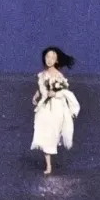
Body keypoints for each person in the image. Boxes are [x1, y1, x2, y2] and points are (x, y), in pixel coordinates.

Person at [30, 46, 80, 175]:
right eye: (47, 57)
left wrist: (55, 94)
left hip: (56, 107)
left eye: (52, 57)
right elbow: (41, 87)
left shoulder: (59, 76)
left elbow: (64, 92)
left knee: (52, 134)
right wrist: (36, 95)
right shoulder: (42, 74)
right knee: (44, 133)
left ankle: (50, 159)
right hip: (44, 108)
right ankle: (48, 165)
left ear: (57, 60)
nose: (49, 60)